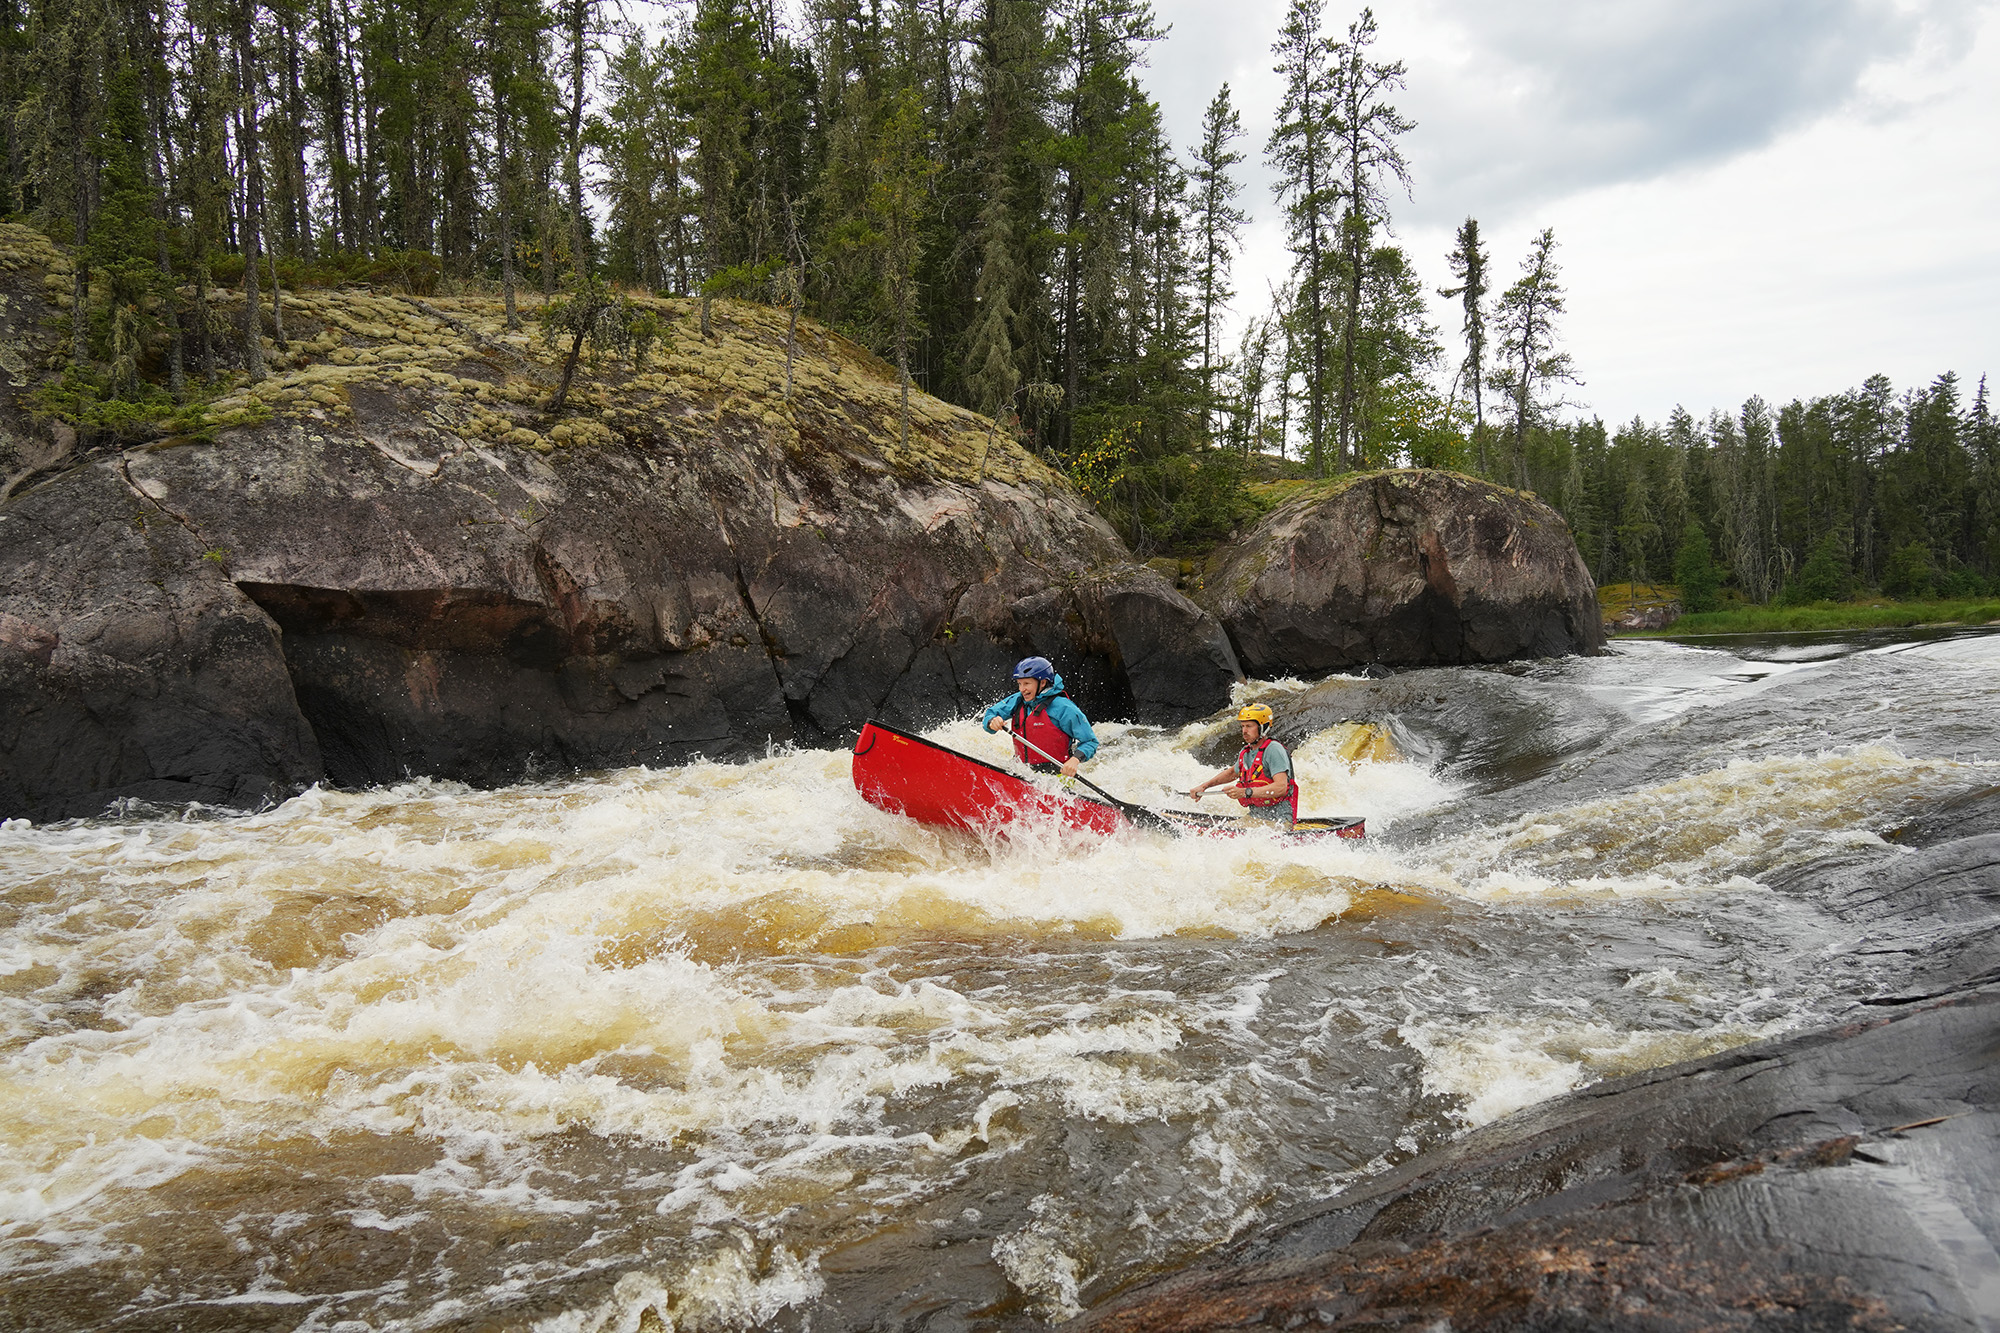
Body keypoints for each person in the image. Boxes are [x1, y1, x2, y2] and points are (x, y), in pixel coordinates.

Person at [982, 657, 1099, 777]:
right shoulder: (1018, 700)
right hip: (1021, 771)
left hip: (1056, 777)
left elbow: (1090, 741)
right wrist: (992, 722)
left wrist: (1075, 760)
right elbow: (990, 714)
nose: (1022, 689)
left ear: (1042, 683)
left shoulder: (1063, 707)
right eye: (1019, 684)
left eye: (1026, 683)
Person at [1188, 703, 1299, 826]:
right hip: (1255, 817)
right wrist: (1204, 787)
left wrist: (1245, 792)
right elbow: (1231, 773)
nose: (1244, 731)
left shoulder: (1273, 749)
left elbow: (1281, 788)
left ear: (1263, 727)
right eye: (1242, 726)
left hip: (1279, 821)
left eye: (1249, 726)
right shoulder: (1247, 752)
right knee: (1216, 832)